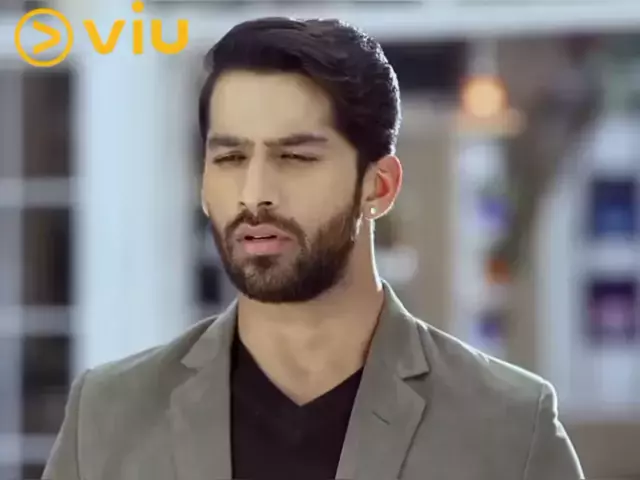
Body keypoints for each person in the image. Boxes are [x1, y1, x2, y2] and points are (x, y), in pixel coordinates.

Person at [43, 17, 584, 480]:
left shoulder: (508, 428)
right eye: (230, 158)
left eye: (295, 157)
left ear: (379, 187)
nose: (254, 194)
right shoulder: (109, 418)